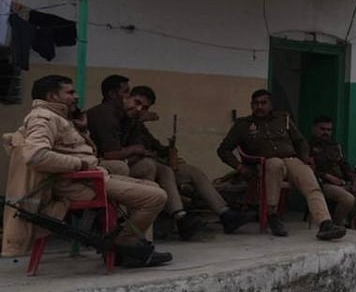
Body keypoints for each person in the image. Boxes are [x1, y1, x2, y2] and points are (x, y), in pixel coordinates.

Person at [3, 74, 171, 267]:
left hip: (90, 177)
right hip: (80, 182)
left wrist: (82, 130)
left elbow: (77, 150)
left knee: (151, 185)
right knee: (156, 197)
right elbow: (36, 156)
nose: (76, 96)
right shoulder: (43, 117)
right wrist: (79, 165)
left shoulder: (59, 117)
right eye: (70, 92)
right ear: (52, 97)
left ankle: (127, 241)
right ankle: (124, 244)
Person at [216, 89, 345, 241]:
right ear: (251, 106)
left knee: (310, 181)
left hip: (291, 159)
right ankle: (272, 215)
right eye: (256, 104)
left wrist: (305, 158)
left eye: (263, 103)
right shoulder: (243, 125)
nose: (259, 107)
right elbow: (223, 150)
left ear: (270, 105)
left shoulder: (283, 119)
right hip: (266, 163)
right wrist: (239, 167)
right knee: (275, 163)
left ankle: (325, 223)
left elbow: (300, 141)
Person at [87, 74, 204, 240]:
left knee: (155, 167)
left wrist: (154, 150)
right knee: (147, 169)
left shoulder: (130, 117)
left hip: (127, 164)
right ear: (114, 95)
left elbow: (146, 147)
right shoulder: (105, 114)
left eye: (143, 106)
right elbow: (112, 154)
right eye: (130, 96)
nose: (139, 107)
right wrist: (135, 151)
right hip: (103, 168)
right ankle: (136, 232)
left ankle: (171, 221)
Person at [127, 85, 253, 235]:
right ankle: (181, 218)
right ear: (128, 100)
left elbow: (156, 146)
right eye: (137, 103)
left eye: (145, 107)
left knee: (193, 172)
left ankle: (225, 214)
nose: (140, 109)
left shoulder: (139, 125)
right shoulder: (123, 119)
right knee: (163, 170)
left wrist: (169, 148)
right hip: (139, 167)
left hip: (158, 165)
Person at [309, 115, 356, 232]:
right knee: (348, 199)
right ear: (314, 129)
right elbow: (309, 170)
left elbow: (345, 166)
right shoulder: (307, 146)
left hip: (344, 182)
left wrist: (353, 178)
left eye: (329, 130)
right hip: (323, 184)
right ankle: (336, 226)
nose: (326, 133)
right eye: (322, 129)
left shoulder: (336, 147)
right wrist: (327, 176)